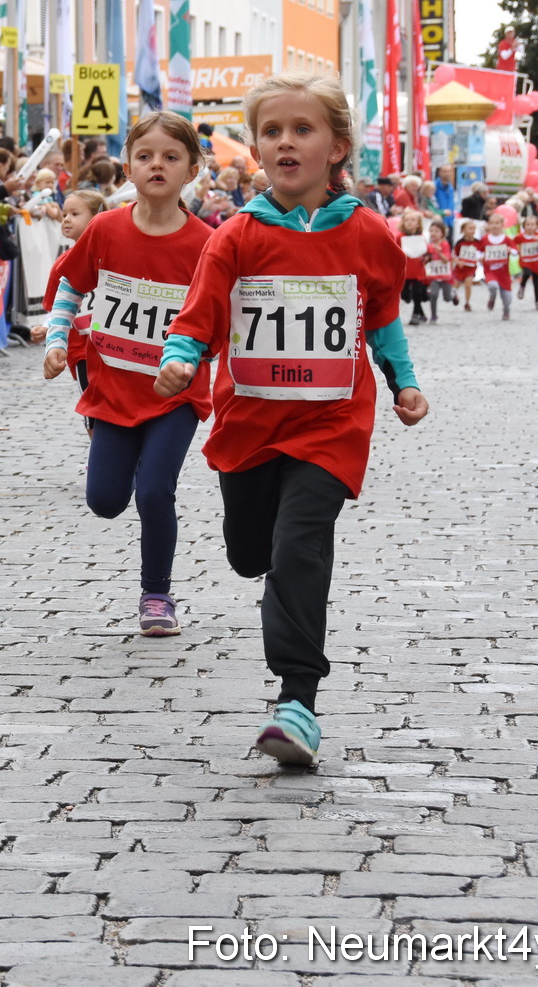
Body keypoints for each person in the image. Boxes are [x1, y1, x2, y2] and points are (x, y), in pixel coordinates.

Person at [154, 72, 428, 767]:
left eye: (301, 129)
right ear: (255, 146)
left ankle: (297, 702)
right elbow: (201, 311)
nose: (285, 142)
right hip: (249, 425)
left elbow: (384, 316)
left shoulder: (367, 233)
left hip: (330, 424)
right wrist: (183, 358)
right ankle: (269, 577)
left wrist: (405, 381)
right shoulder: (237, 235)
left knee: (301, 544)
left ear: (337, 146)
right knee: (254, 552)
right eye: (271, 131)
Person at [43, 115, 214, 636]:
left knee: (155, 492)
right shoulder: (105, 228)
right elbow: (71, 286)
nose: (156, 165)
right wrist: (56, 339)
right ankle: (131, 462)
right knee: (105, 501)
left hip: (174, 395)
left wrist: (188, 360)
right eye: (145, 157)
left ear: (192, 169)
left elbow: (218, 318)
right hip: (113, 391)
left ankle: (156, 595)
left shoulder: (206, 242)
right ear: (128, 168)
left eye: (170, 157)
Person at [31, 190, 105, 424]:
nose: (66, 219)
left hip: (110, 345)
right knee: (92, 408)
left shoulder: (112, 256)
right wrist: (47, 328)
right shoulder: (62, 264)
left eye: (75, 213)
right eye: (64, 214)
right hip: (79, 349)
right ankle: (98, 459)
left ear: (97, 218)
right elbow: (57, 307)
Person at [397, 210, 431, 325]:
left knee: (417, 294)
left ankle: (416, 314)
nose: (409, 223)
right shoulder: (400, 237)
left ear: (418, 223)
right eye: (407, 220)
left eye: (412, 220)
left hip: (418, 271)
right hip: (405, 272)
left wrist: (428, 257)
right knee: (404, 295)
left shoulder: (421, 237)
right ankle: (421, 313)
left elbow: (427, 251)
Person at [480, 211, 514, 320]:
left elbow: (516, 251)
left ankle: (506, 311)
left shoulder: (506, 239)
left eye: (497, 223)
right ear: (488, 225)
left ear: (502, 225)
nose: (494, 226)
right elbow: (478, 251)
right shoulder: (485, 239)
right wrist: (480, 257)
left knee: (507, 299)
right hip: (490, 271)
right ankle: (492, 297)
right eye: (492, 223)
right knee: (493, 286)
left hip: (504, 272)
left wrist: (510, 251)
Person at [516, 217, 538, 305]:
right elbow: (513, 243)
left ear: (536, 226)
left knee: (536, 282)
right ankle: (522, 286)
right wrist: (514, 251)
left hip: (536, 262)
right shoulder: (520, 237)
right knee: (527, 273)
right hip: (525, 262)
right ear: (524, 226)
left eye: (532, 225)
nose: (530, 227)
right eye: (527, 225)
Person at [424, 224, 456, 314]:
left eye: (436, 231)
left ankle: (453, 295)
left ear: (442, 233)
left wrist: (439, 253)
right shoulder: (429, 245)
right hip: (434, 275)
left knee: (447, 298)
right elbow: (426, 260)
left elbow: (446, 260)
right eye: (431, 231)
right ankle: (433, 315)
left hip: (445, 276)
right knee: (433, 295)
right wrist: (427, 259)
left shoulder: (445, 244)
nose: (433, 233)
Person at [453, 220, 482, 311]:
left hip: (471, 268)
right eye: (470, 228)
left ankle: (467, 302)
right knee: (455, 286)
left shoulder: (478, 242)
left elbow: (481, 253)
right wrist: (458, 262)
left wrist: (481, 258)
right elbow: (453, 256)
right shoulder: (459, 243)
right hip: (460, 268)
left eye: (474, 229)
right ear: (463, 230)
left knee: (468, 284)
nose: (472, 231)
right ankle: (454, 296)